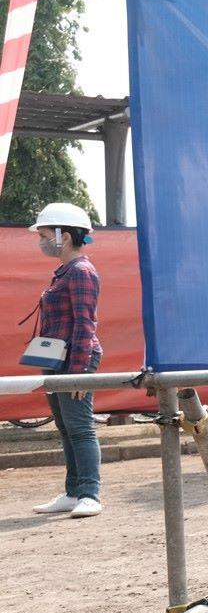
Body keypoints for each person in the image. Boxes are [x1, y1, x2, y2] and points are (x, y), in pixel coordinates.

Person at [27, 203, 103, 519]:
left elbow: (86, 323)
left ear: (63, 235)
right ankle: (73, 493)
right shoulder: (65, 271)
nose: (41, 241)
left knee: (80, 427)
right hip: (57, 356)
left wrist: (79, 372)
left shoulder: (82, 271)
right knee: (65, 426)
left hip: (75, 358)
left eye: (44, 234)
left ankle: (89, 494)